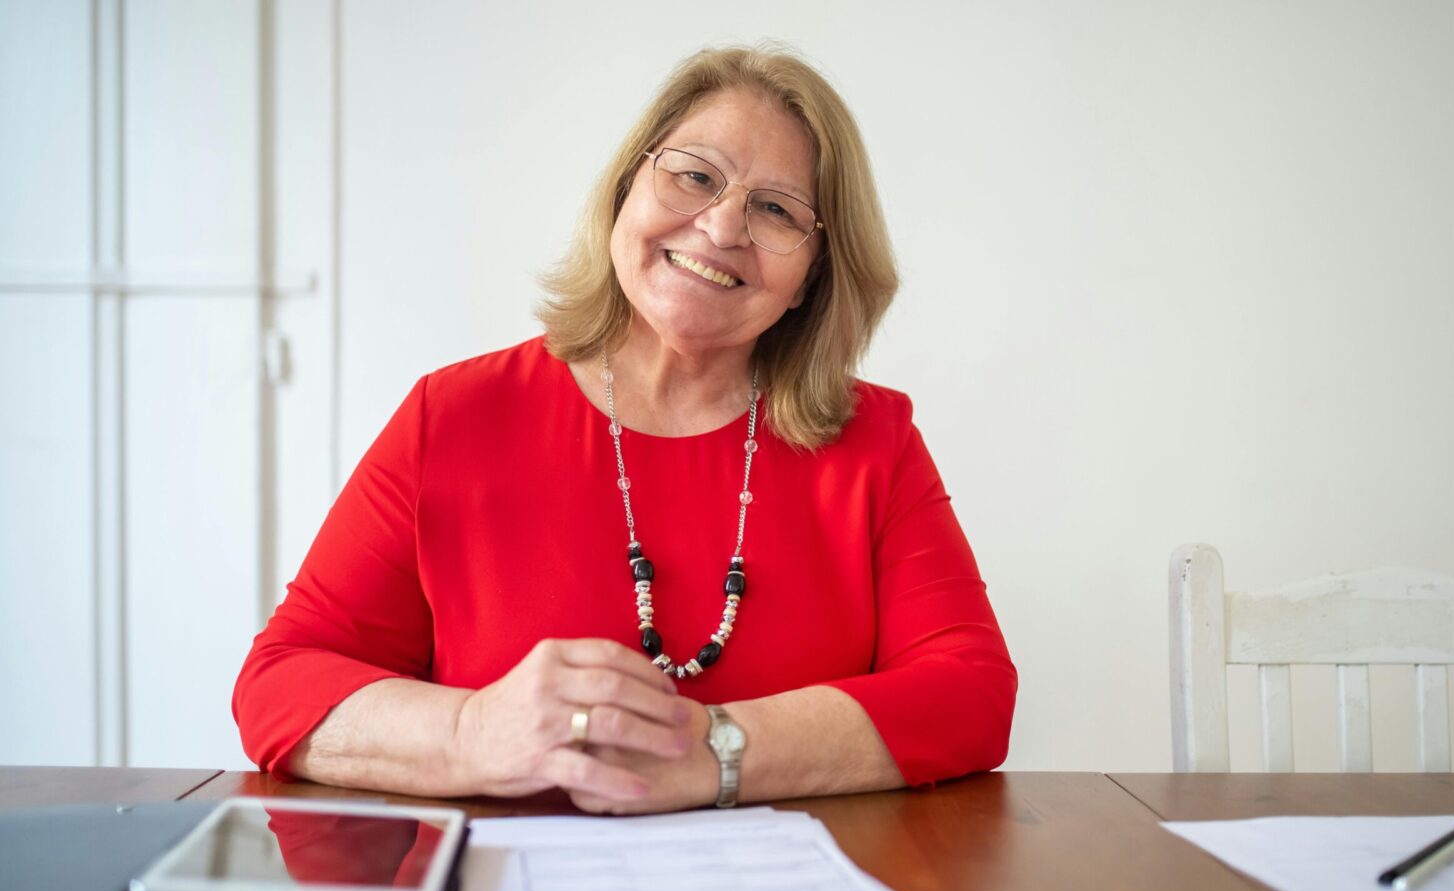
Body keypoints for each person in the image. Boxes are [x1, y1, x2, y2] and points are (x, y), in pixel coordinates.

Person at [233, 45, 1016, 814]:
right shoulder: (454, 416)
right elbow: (281, 684)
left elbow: (972, 693)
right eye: (694, 175)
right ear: (625, 190)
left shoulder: (876, 441)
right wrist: (473, 732)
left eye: (776, 209)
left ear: (814, 276)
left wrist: (711, 749)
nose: (720, 225)